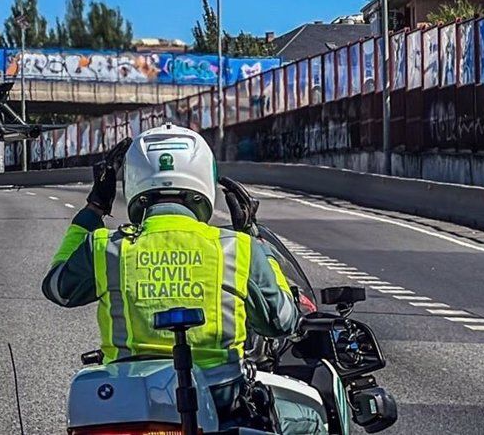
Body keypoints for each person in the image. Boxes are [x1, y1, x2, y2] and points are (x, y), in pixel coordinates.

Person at [43, 124, 306, 429]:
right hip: (223, 403)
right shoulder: (238, 248)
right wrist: (254, 237)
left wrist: (94, 208)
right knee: (311, 420)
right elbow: (282, 321)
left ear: (134, 182)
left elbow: (57, 287)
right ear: (205, 178)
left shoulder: (104, 246)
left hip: (132, 404)